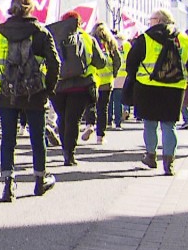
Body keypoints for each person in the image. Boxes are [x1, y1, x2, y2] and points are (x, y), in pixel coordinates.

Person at [0, 0, 60, 201]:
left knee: (8, 138)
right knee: (37, 138)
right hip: (34, 93)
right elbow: (55, 63)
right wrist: (48, 89)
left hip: (7, 93)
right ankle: (40, 179)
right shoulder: (41, 32)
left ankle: (8, 185)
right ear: (30, 8)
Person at [127, 8, 188, 175]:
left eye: (151, 18)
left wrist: (137, 77)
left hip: (147, 86)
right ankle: (169, 163)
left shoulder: (145, 38)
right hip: (174, 89)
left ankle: (151, 156)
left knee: (150, 124)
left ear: (159, 20)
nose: (149, 21)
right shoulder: (184, 38)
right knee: (169, 125)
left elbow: (131, 63)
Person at [47, 11, 106, 166]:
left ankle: (64, 148)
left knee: (62, 117)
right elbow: (101, 62)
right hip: (80, 86)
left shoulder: (51, 37)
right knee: (73, 120)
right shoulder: (88, 38)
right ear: (79, 22)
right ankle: (69, 155)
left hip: (57, 86)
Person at [80, 23, 121, 145]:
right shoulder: (111, 43)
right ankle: (100, 136)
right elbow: (118, 61)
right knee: (103, 108)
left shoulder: (89, 41)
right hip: (106, 82)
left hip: (92, 80)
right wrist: (113, 73)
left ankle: (89, 124)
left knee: (90, 105)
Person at [109, 32, 131, 129]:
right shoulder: (127, 45)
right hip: (123, 76)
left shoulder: (110, 43)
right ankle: (118, 122)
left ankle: (109, 121)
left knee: (109, 101)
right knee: (118, 101)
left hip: (111, 75)